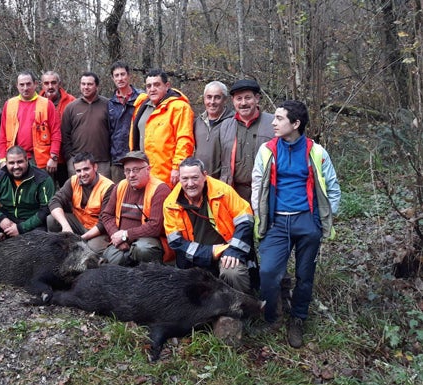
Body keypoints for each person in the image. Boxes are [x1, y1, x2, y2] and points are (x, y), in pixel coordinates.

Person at [251, 100, 341, 348]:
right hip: (276, 223)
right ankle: (273, 317)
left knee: (305, 276)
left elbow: (333, 189)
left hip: (306, 222)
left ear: (296, 123)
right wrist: (261, 218)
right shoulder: (267, 151)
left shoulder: (317, 152)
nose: (273, 122)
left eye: (279, 118)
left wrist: (320, 220)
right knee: (268, 273)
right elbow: (257, 187)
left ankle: (298, 319)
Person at [163, 157, 255, 290]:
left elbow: (246, 220)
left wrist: (234, 250)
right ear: (179, 178)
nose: (190, 183)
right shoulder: (171, 203)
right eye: (185, 179)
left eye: (195, 177)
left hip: (227, 252)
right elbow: (176, 242)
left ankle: (242, 307)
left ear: (205, 176)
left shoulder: (223, 191)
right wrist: (211, 252)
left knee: (232, 273)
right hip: (193, 259)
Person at [100, 151, 171, 265]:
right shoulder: (120, 186)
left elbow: (155, 226)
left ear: (148, 169)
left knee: (142, 249)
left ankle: (152, 274)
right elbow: (106, 215)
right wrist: (117, 236)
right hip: (122, 239)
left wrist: (125, 235)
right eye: (127, 170)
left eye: (136, 170)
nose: (131, 174)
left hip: (149, 240)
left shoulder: (160, 189)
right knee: (109, 260)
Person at [130, 69, 194, 188]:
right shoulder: (141, 107)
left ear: (167, 86)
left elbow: (184, 140)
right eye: (149, 86)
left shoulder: (179, 107)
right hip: (143, 172)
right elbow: (134, 139)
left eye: (157, 84)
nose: (152, 89)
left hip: (168, 174)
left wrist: (177, 168)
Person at [0, 145, 55, 236]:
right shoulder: (1, 176)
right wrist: (1, 219)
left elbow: (45, 210)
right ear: (6, 163)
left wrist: (21, 228)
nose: (16, 166)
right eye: (11, 163)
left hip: (30, 221)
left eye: (20, 162)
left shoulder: (42, 179)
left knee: (40, 236)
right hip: (7, 219)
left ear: (27, 160)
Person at [217, 79, 274, 202]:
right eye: (239, 98)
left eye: (248, 98)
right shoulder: (225, 125)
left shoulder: (273, 123)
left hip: (266, 192)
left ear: (257, 98)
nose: (243, 103)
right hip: (234, 193)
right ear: (233, 101)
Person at [47, 152, 114, 255]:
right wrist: (65, 226)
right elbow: (54, 201)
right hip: (79, 223)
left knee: (92, 249)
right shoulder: (73, 181)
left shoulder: (108, 187)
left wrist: (79, 239)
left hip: (98, 229)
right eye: (78, 171)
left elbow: (104, 223)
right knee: (51, 219)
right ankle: (58, 254)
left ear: (95, 167)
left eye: (86, 169)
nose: (82, 174)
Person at [0, 71, 61, 175]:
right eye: (22, 85)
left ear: (35, 84)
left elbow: (56, 132)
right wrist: (3, 159)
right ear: (17, 86)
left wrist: (54, 157)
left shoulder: (46, 104)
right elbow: (2, 135)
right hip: (15, 160)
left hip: (41, 160)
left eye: (28, 84)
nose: (25, 88)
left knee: (44, 190)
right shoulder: (9, 105)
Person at [61, 72, 111, 178]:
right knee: (79, 193)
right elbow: (65, 135)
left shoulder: (108, 105)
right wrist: (70, 158)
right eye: (83, 84)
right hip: (78, 162)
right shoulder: (71, 107)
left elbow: (114, 132)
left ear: (97, 86)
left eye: (89, 84)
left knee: (104, 193)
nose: (86, 87)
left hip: (102, 162)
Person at [107, 61, 143, 183]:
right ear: (112, 78)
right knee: (119, 194)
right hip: (117, 158)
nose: (120, 78)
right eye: (116, 75)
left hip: (137, 155)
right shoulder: (109, 103)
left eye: (123, 74)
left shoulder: (142, 98)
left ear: (129, 76)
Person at [40, 71, 76, 186]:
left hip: (66, 157)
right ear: (42, 85)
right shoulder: (36, 103)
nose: (50, 86)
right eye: (46, 83)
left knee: (69, 191)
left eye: (53, 83)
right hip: (44, 158)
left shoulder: (71, 102)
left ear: (59, 84)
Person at [193, 81, 234, 179]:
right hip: (200, 180)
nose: (212, 102)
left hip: (223, 182)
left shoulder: (233, 122)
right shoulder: (197, 122)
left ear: (225, 99)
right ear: (204, 99)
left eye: (217, 97)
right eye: (209, 97)